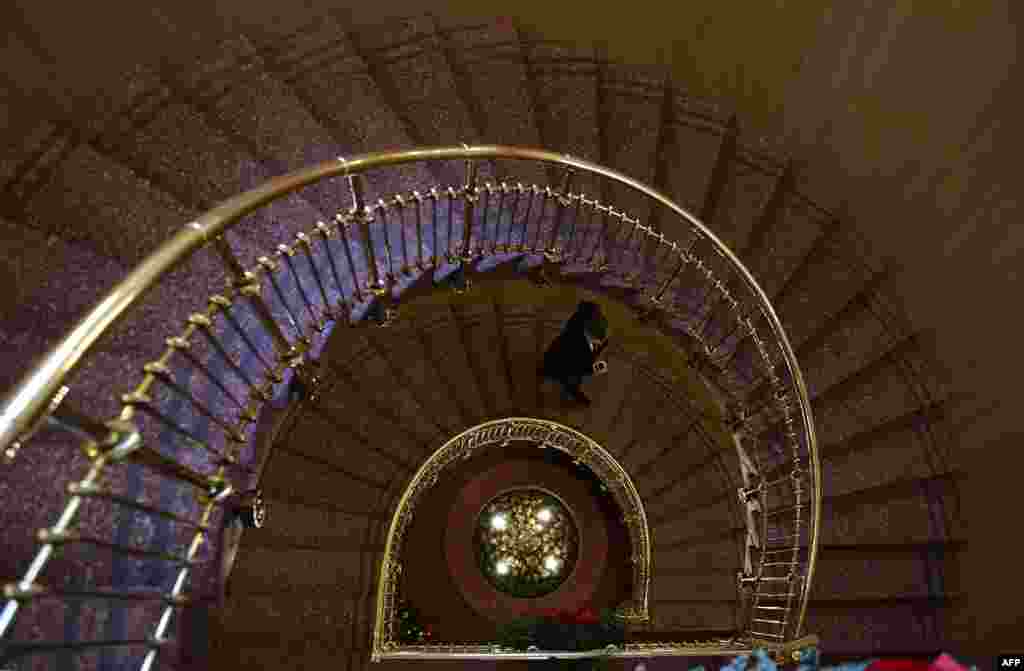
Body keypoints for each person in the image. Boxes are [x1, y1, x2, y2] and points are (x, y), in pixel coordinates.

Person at [539, 301, 609, 407]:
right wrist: (599, 363)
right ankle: (571, 389)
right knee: (573, 375)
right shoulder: (580, 344)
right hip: (561, 367)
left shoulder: (576, 321)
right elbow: (584, 365)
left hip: (556, 358)